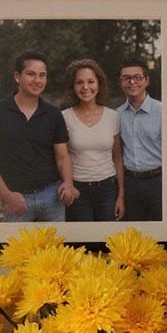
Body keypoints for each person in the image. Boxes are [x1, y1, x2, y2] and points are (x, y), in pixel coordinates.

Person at [0, 50, 78, 222]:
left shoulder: (53, 114)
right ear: (17, 76)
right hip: (16, 201)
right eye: (31, 74)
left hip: (52, 199)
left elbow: (62, 156)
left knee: (55, 249)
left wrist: (68, 183)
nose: (37, 81)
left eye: (42, 75)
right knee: (16, 249)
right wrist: (6, 195)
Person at [61, 57, 125, 222]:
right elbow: (61, 157)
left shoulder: (113, 116)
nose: (86, 87)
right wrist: (68, 186)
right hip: (78, 190)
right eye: (79, 82)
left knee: (107, 241)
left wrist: (121, 196)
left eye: (91, 81)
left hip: (107, 189)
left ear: (99, 84)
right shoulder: (64, 117)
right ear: (72, 87)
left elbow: (117, 158)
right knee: (82, 242)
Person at [116, 57, 163, 221]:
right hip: (130, 185)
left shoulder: (163, 111)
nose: (132, 82)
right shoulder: (117, 115)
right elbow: (118, 154)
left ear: (146, 80)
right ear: (121, 83)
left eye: (137, 77)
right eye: (126, 78)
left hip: (159, 181)